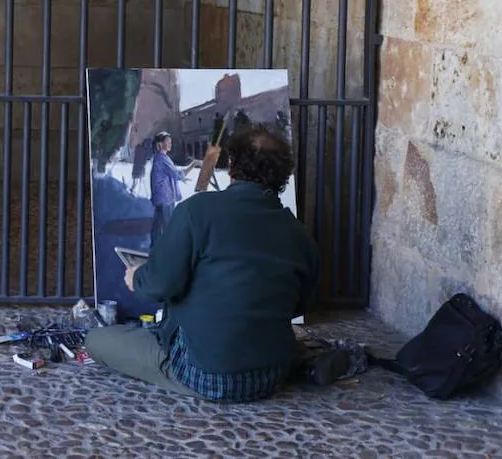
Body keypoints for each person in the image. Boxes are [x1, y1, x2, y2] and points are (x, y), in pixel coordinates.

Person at [87, 127, 342, 401]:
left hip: (204, 373)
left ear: (231, 166)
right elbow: (298, 306)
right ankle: (304, 363)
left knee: (97, 341)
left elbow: (158, 286)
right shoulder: (298, 234)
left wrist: (136, 278)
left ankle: (179, 365)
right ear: (283, 176)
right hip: (271, 374)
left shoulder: (197, 211)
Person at [147, 132, 197, 248]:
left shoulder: (161, 158)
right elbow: (176, 174)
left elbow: (172, 172)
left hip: (161, 197)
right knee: (168, 225)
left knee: (158, 225)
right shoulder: (162, 158)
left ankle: (155, 248)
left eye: (171, 142)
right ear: (160, 144)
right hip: (165, 198)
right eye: (167, 142)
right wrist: (192, 165)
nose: (170, 144)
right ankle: (169, 249)